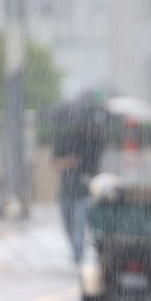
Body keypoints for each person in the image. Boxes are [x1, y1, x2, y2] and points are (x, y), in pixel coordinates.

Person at [52, 102, 107, 264]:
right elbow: (55, 164)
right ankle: (77, 252)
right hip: (66, 191)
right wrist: (69, 162)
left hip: (84, 192)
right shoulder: (63, 139)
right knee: (68, 225)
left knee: (79, 227)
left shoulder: (93, 140)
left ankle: (78, 257)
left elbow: (97, 165)